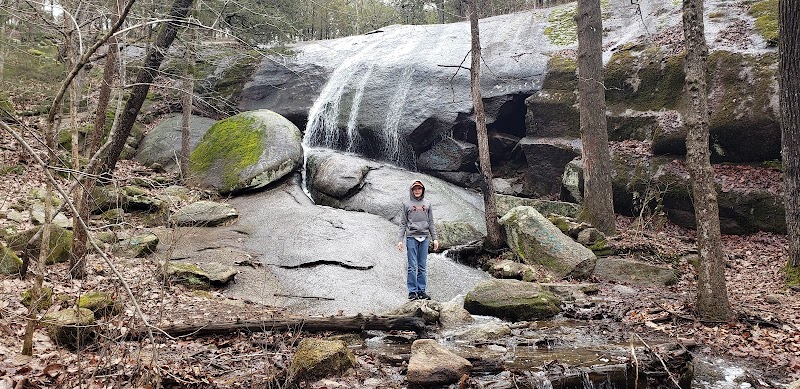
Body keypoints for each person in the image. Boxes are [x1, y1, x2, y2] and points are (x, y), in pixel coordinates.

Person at [397, 180, 439, 300]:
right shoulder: (406, 204)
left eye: (419, 189)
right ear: (411, 190)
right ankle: (412, 292)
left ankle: (421, 291)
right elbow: (403, 223)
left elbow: (431, 222)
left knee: (422, 266)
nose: (417, 191)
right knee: (412, 266)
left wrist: (435, 239)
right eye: (415, 189)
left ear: (422, 190)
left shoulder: (428, 204)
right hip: (411, 237)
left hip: (425, 237)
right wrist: (400, 239)